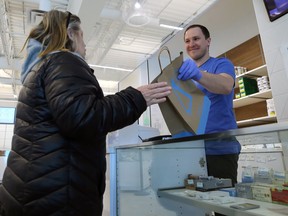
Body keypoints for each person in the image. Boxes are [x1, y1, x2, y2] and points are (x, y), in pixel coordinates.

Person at [0, 10, 171, 216]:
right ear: (71, 34)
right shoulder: (63, 61)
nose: (85, 43)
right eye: (82, 35)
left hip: (35, 189)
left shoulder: (39, 69)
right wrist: (135, 98)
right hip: (58, 196)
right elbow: (82, 118)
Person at [178, 24, 241, 185]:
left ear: (208, 41)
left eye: (196, 38)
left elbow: (226, 85)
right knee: (196, 206)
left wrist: (198, 74)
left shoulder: (221, 64)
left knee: (223, 206)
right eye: (187, 40)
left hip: (220, 149)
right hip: (193, 150)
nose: (191, 44)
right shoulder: (184, 75)